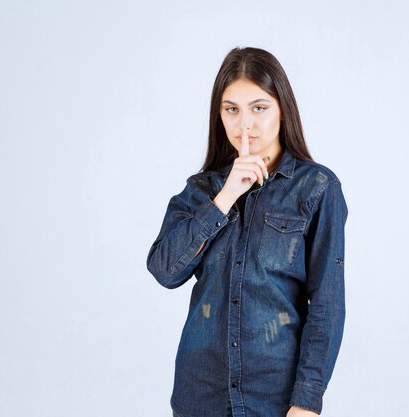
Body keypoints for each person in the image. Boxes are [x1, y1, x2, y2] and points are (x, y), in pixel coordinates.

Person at [146, 46, 348, 417]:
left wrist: (306, 401)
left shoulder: (317, 188)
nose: (245, 125)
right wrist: (225, 198)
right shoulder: (202, 190)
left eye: (259, 108)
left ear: (282, 108)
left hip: (273, 397)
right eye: (231, 110)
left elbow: (327, 306)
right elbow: (163, 270)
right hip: (200, 396)